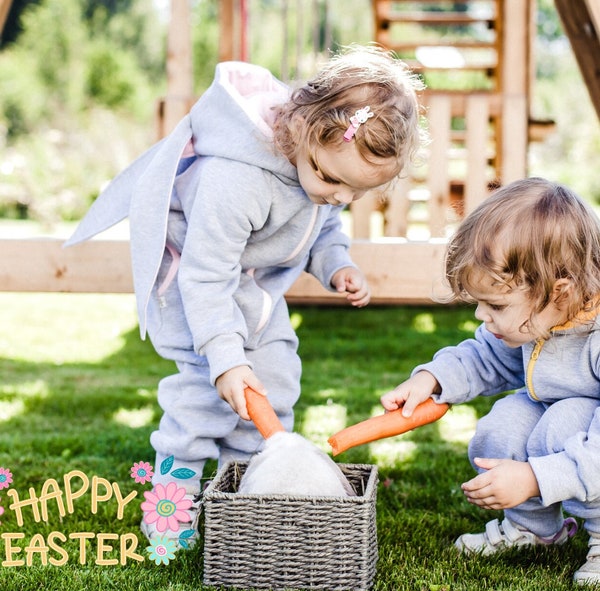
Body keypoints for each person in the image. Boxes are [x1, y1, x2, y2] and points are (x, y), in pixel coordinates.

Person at [67, 44, 425, 547]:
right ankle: (170, 517)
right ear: (302, 129)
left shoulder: (323, 173)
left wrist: (336, 264)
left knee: (272, 390)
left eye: (356, 193)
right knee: (202, 403)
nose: (340, 198)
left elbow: (321, 227)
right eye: (332, 180)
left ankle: (248, 507)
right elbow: (205, 276)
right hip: (196, 295)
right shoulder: (236, 179)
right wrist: (224, 358)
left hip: (253, 293)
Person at [380, 177, 600, 585]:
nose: (482, 316)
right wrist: (432, 379)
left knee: (563, 420)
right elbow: (484, 358)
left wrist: (534, 477)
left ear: (560, 292)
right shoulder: (539, 316)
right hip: (567, 429)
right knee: (504, 422)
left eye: (495, 304)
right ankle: (533, 529)